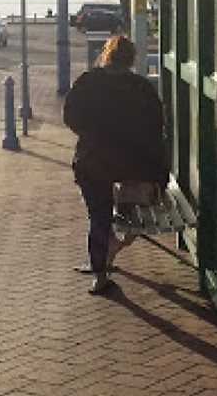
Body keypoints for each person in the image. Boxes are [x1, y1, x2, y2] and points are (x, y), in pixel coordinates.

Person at [63, 35, 168, 294]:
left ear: (106, 55)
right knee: (132, 215)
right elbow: (157, 126)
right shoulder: (142, 87)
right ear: (132, 59)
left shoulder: (88, 82)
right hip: (134, 166)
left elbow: (71, 116)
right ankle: (115, 244)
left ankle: (100, 273)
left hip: (94, 160)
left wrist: (91, 134)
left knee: (98, 216)